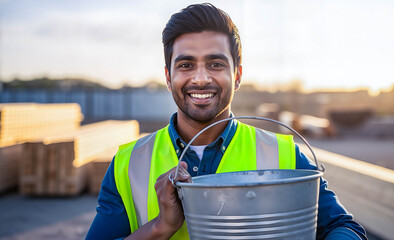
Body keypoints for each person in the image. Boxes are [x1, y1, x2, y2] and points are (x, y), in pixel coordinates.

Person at [86, 3, 367, 240]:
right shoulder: (128, 164)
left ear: (238, 75)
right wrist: (161, 227)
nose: (200, 78)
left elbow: (345, 228)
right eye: (186, 65)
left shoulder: (283, 155)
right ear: (168, 76)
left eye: (215, 64)